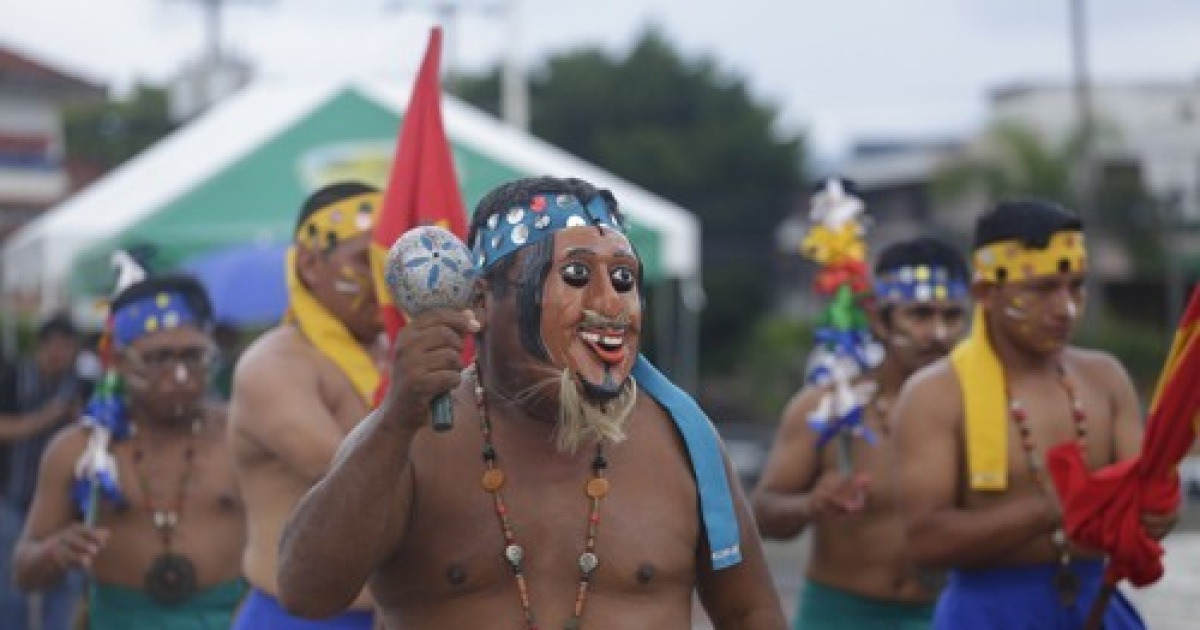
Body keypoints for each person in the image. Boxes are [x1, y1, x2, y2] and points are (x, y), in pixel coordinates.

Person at [275, 176, 786, 629]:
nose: (609, 306)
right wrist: (394, 422)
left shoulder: (682, 440)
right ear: (479, 301)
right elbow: (307, 593)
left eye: (624, 279)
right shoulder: (412, 435)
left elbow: (750, 614)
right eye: (577, 277)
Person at [893, 199, 1177, 629]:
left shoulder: (1104, 378)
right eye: (1043, 289)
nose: (1065, 308)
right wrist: (1055, 507)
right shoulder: (934, 395)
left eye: (1076, 286)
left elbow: (1142, 514)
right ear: (986, 293)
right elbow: (926, 541)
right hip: (987, 612)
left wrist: (1158, 513)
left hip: (1097, 604)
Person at [752, 236, 971, 629]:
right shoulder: (826, 408)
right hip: (841, 615)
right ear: (879, 319)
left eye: (952, 316)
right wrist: (810, 505)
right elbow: (762, 513)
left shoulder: (978, 410)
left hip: (946, 614)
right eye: (920, 314)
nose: (938, 332)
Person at [13, 273, 246, 629]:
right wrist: (55, 551)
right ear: (119, 362)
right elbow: (23, 573)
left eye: (193, 356)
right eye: (159, 358)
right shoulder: (78, 449)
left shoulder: (245, 437)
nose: (180, 374)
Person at [228, 181, 385, 629]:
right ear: (312, 266)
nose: (383, 276)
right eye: (363, 260)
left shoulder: (398, 355)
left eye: (389, 259)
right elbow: (353, 484)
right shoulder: (273, 367)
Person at [0, 313, 84, 630]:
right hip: (14, 498)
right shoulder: (13, 377)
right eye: (54, 346)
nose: (59, 354)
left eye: (67, 347)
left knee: (65, 584)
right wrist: (43, 419)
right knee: (11, 587)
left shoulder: (82, 385)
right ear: (40, 346)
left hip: (66, 509)